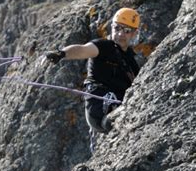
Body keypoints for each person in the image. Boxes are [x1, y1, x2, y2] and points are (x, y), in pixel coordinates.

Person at [44, 8, 141, 145]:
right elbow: (83, 50)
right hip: (99, 109)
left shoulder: (131, 61)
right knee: (120, 116)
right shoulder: (104, 46)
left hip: (115, 105)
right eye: (117, 28)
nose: (120, 34)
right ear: (111, 27)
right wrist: (62, 54)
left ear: (134, 33)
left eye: (126, 31)